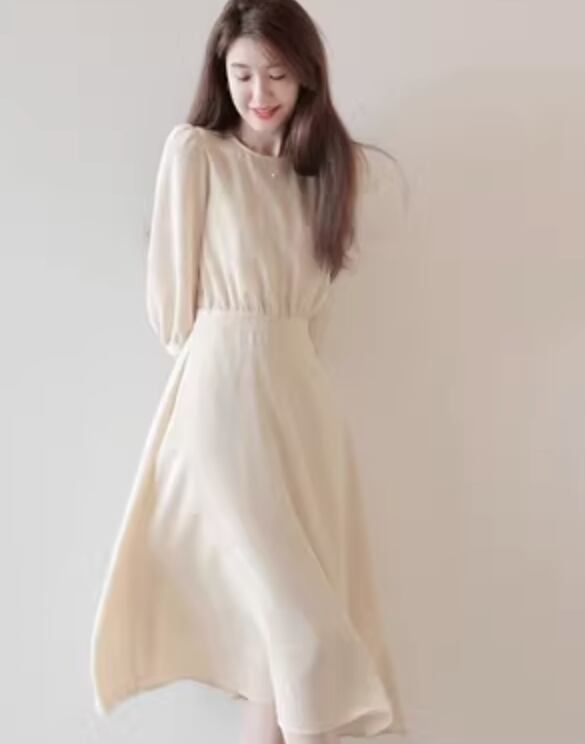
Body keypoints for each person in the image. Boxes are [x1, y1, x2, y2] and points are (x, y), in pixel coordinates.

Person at [90, 1, 409, 742]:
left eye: (276, 75)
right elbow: (171, 313)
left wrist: (278, 360)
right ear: (220, 74)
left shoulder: (326, 174)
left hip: (303, 407)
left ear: (306, 78)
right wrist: (233, 354)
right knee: (305, 629)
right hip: (222, 395)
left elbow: (317, 317)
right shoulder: (196, 154)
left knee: (275, 648)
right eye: (241, 74)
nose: (258, 92)